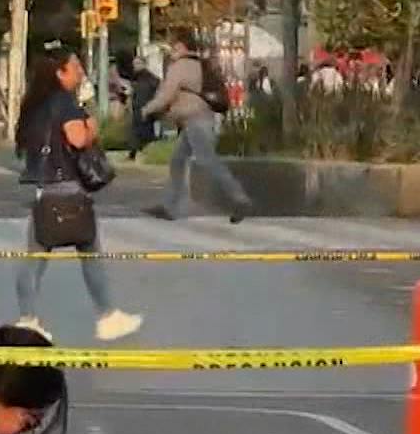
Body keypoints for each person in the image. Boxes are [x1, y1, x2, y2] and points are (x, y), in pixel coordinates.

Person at [14, 43, 143, 342]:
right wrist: (91, 121)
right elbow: (78, 138)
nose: (81, 72)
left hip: (45, 188)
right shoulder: (64, 102)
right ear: (60, 73)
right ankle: (107, 316)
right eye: (75, 67)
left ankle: (27, 318)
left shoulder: (36, 105)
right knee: (89, 252)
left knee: (35, 259)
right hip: (69, 188)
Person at [141, 30, 252, 224]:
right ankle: (169, 206)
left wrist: (147, 110)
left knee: (208, 161)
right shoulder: (198, 64)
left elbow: (166, 95)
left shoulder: (180, 66)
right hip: (195, 121)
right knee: (177, 161)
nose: (171, 50)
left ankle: (239, 198)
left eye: (173, 46)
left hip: (196, 121)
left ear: (181, 46)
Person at [126, 54, 160, 161]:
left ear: (144, 64)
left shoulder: (151, 78)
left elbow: (157, 91)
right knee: (136, 132)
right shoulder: (136, 78)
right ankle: (134, 153)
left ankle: (141, 154)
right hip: (138, 108)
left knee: (144, 132)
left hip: (147, 108)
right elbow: (132, 93)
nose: (135, 66)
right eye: (134, 64)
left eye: (138, 63)